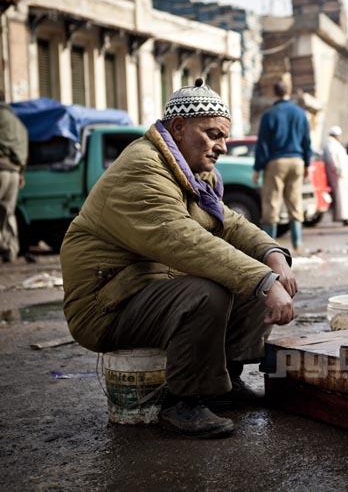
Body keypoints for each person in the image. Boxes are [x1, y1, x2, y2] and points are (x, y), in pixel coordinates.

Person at [60, 79, 297, 439]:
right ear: (179, 128)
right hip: (104, 305)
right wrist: (263, 281)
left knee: (252, 276)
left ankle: (225, 385)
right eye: (212, 134)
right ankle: (182, 403)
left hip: (146, 288)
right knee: (210, 291)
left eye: (224, 137)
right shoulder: (142, 168)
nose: (221, 146)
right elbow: (186, 241)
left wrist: (273, 257)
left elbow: (230, 225)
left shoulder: (195, 174)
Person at [252, 81, 312, 252]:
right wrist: (307, 163)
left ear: (274, 93)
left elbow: (262, 144)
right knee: (295, 201)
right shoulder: (301, 114)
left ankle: (270, 246)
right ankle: (297, 243)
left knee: (271, 203)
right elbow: (307, 141)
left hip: (276, 162)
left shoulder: (269, 115)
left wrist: (258, 168)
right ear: (290, 91)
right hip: (297, 161)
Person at [0, 101, 27, 263]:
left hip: (0, 168)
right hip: (15, 172)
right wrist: (21, 171)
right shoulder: (18, 123)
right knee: (8, 212)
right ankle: (10, 251)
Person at [322, 126, 348, 225]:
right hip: (339, 176)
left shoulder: (335, 144)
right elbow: (332, 160)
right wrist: (338, 171)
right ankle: (345, 217)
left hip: (343, 176)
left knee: (347, 197)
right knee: (342, 198)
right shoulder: (330, 144)